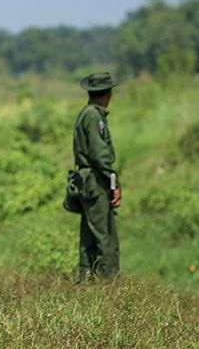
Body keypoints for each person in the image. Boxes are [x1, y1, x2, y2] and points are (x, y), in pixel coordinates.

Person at [70, 72, 122, 281]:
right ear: (107, 93)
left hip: (87, 181)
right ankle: (108, 282)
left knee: (89, 235)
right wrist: (113, 181)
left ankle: (86, 279)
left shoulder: (87, 112)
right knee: (105, 236)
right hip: (95, 182)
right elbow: (100, 155)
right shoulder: (94, 116)